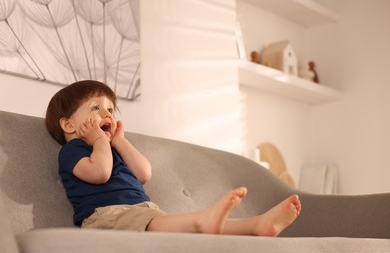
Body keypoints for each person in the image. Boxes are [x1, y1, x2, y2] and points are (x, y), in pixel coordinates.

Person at [45, 80, 301, 236]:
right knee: (187, 224)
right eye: (96, 108)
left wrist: (120, 141)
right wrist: (100, 141)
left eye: (111, 110)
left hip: (141, 212)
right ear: (68, 125)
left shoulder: (111, 148)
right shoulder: (73, 151)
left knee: (186, 229)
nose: (107, 115)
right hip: (106, 217)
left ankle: (255, 226)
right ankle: (212, 221)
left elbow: (144, 174)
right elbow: (100, 173)